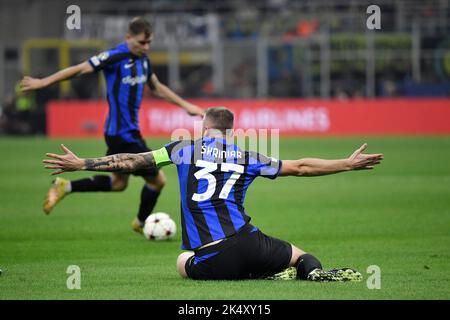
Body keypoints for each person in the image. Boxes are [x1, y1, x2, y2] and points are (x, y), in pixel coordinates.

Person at [43, 107, 384, 281]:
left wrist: (83, 163)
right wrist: (347, 164)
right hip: (251, 242)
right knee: (299, 255)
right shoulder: (249, 156)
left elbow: (132, 161)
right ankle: (310, 273)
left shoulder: (181, 149)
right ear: (230, 131)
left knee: (180, 261)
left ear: (204, 128)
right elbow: (301, 167)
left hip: (210, 256)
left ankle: (257, 272)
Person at [21, 17, 205, 233]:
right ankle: (140, 223)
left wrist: (186, 106)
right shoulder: (115, 56)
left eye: (149, 43)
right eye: (140, 43)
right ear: (128, 38)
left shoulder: (144, 59)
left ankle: (66, 186)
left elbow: (156, 87)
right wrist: (43, 82)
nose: (145, 47)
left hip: (127, 132)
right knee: (158, 181)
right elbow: (80, 68)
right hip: (121, 133)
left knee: (119, 184)